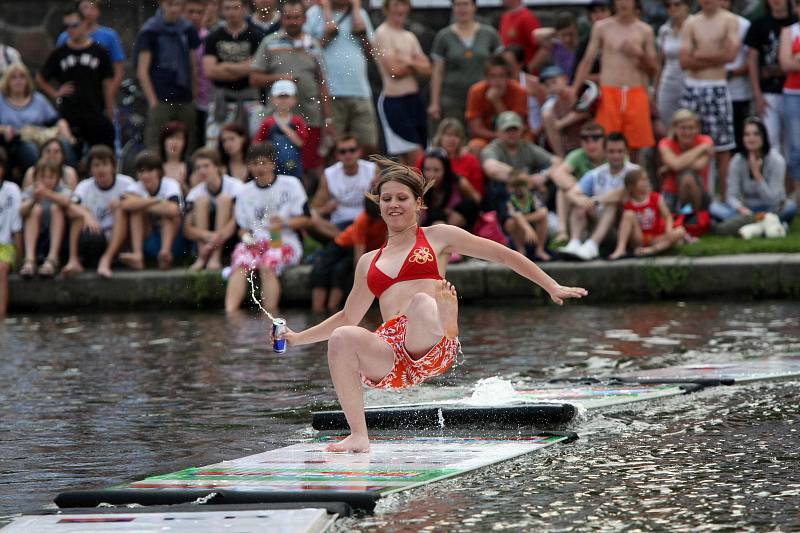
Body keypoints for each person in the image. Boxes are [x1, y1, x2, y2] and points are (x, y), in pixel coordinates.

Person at [275, 157, 587, 452]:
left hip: (431, 339)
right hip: (393, 358)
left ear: (418, 203)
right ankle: (359, 436)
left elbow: (503, 255)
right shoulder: (368, 262)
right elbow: (346, 316)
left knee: (423, 301)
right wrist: (298, 337)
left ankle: (449, 326)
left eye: (402, 198)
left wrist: (551, 285)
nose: (394, 205)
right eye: (387, 199)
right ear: (378, 205)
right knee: (343, 336)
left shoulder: (438, 236)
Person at [250, 0, 334, 175]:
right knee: (279, 164)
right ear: (282, 19)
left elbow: (322, 83)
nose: (292, 21)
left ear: (304, 19)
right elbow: (254, 78)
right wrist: (279, 78)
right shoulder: (269, 43)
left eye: (297, 17)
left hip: (310, 116)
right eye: (288, 17)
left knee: (309, 166)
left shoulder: (313, 45)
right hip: (278, 120)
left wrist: (329, 119)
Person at [225, 143, 308, 313]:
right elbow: (242, 228)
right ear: (249, 166)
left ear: (273, 164)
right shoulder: (244, 192)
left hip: (284, 240)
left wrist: (284, 222)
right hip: (257, 241)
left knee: (267, 263)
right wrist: (247, 238)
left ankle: (270, 317)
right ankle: (230, 314)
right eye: (254, 164)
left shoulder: (291, 185)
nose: (259, 168)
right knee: (241, 261)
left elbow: (307, 220)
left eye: (263, 163)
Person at [571, 0, 658, 161]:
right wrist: (574, 90)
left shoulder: (645, 30)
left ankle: (632, 182)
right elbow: (587, 61)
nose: (623, 3)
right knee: (606, 141)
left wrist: (639, 53)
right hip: (609, 92)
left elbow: (653, 69)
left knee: (635, 148)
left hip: (635, 91)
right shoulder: (602, 27)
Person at [678, 0, 740, 194]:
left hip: (716, 87)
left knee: (722, 146)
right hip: (692, 88)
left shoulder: (729, 20)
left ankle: (724, 197)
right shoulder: (691, 23)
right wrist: (715, 54)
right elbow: (684, 60)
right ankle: (693, 196)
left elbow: (731, 55)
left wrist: (699, 54)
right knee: (688, 143)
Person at [36, 5, 115, 158]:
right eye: (66, 26)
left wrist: (110, 111)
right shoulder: (60, 52)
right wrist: (55, 93)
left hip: (95, 112)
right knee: (71, 157)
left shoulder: (99, 52)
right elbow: (40, 78)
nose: (70, 29)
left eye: (74, 25)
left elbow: (107, 83)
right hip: (70, 116)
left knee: (102, 156)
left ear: (84, 23)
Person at [304, 0, 379, 155]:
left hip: (360, 91)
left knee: (368, 146)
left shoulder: (361, 14)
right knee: (332, 149)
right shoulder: (313, 14)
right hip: (329, 94)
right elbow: (305, 55)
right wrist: (326, 36)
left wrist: (363, 33)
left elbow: (372, 55)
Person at [135, 0, 201, 156]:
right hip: (161, 96)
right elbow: (142, 71)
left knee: (188, 144)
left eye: (177, 5)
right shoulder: (150, 31)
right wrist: (152, 101)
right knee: (156, 146)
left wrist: (194, 95)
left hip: (184, 97)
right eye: (170, 4)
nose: (174, 9)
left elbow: (193, 66)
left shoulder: (187, 29)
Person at [560, 132, 638, 260]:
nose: (616, 155)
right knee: (579, 204)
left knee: (611, 204)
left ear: (626, 152)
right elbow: (572, 193)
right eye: (611, 151)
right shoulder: (595, 174)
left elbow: (622, 194)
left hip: (624, 228)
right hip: (598, 222)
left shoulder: (635, 172)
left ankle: (592, 245)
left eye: (620, 151)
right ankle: (574, 243)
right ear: (605, 152)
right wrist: (582, 201)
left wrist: (595, 200)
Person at [711, 117, 796, 229]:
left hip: (770, 209)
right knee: (714, 208)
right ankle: (769, 225)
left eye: (756, 134)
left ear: (763, 137)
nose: (751, 138)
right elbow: (731, 195)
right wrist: (741, 208)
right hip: (745, 211)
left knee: (790, 207)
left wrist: (757, 175)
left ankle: (749, 224)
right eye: (747, 134)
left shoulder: (776, 160)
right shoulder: (737, 161)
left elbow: (774, 201)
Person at [373, 0, 431, 165]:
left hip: (414, 100)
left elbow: (428, 69)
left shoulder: (409, 36)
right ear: (387, 8)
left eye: (403, 5)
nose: (400, 9)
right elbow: (394, 72)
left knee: (418, 158)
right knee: (417, 159)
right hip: (394, 101)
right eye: (396, 5)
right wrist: (414, 62)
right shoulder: (383, 33)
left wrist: (407, 60)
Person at [64, 145, 134, 279]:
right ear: (90, 169)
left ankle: (106, 260)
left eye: (105, 164)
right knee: (77, 213)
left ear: (113, 167)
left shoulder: (126, 183)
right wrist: (86, 214)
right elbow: (70, 205)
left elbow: (140, 201)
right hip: (92, 237)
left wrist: (122, 201)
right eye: (96, 165)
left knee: (122, 208)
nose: (101, 169)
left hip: (119, 237)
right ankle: (73, 260)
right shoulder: (84, 186)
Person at [481, 111, 559, 232]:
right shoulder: (492, 149)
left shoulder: (527, 147)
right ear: (498, 132)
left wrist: (544, 175)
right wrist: (527, 179)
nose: (512, 134)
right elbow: (492, 169)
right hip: (506, 197)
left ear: (521, 130)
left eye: (515, 129)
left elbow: (557, 161)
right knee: (499, 188)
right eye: (507, 130)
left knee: (552, 183)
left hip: (529, 195)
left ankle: (548, 226)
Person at [427, 0, 502, 125]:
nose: (462, 9)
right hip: (452, 98)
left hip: (482, 98)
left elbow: (500, 67)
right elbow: (437, 72)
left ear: (474, 7)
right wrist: (434, 103)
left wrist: (498, 92)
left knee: (479, 137)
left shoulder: (489, 34)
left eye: (466, 4)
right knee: (454, 135)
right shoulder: (443, 36)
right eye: (458, 5)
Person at [203, 0, 266, 146]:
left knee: (255, 144)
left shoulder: (256, 36)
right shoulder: (214, 37)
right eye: (227, 8)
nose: (232, 12)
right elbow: (210, 71)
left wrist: (224, 66)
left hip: (250, 98)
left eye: (236, 8)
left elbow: (257, 68)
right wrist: (244, 67)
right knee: (213, 145)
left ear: (244, 9)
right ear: (222, 10)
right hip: (221, 99)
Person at [310, 197, 386, 313]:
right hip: (342, 244)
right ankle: (318, 310)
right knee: (320, 269)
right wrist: (361, 279)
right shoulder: (363, 220)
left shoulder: (387, 220)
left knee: (340, 271)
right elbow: (359, 256)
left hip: (361, 249)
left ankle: (332, 308)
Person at [0, 64, 74, 180]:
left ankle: (69, 179)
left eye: (22, 77)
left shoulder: (38, 99)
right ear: (7, 81)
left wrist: (63, 127)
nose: (18, 81)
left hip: (42, 137)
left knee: (63, 145)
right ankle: (37, 180)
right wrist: (4, 129)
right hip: (17, 141)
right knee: (30, 149)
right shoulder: (1, 101)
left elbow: (55, 120)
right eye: (14, 77)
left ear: (27, 80)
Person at [55, 0, 126, 119]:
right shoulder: (65, 38)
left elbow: (118, 70)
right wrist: (59, 92)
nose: (88, 12)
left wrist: (107, 95)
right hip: (74, 102)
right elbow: (55, 68)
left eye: (92, 8)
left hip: (101, 99)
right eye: (85, 8)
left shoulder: (109, 36)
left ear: (98, 11)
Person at [120, 151, 184, 271]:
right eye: (141, 171)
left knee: (167, 216)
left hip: (174, 240)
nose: (145, 175)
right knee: (136, 212)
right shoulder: (136, 186)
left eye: (149, 171)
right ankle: (138, 256)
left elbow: (174, 209)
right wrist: (157, 201)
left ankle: (165, 255)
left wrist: (141, 202)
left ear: (159, 172)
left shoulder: (170, 184)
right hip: (149, 238)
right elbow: (124, 204)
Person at [746, 0, 796, 153]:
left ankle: (792, 177)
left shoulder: (795, 24)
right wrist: (757, 94)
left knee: (793, 143)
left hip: (794, 92)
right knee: (770, 140)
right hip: (768, 93)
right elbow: (752, 60)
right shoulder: (759, 24)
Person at [184, 147, 243, 271]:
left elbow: (237, 221)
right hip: (205, 240)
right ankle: (202, 258)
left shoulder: (236, 186)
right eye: (198, 167)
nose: (202, 171)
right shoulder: (195, 193)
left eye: (206, 166)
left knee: (224, 200)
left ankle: (214, 258)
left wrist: (215, 239)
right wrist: (206, 236)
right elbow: (187, 229)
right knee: (201, 201)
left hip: (230, 239)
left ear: (217, 167)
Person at [311, 134, 378, 241]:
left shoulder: (372, 170)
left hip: (366, 220)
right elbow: (315, 208)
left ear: (359, 151)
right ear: (337, 155)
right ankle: (347, 240)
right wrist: (326, 209)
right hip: (339, 224)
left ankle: (344, 242)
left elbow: (383, 199)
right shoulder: (329, 174)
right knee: (311, 217)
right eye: (342, 151)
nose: (348, 154)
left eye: (352, 150)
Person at [549, 122, 607, 243]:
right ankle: (563, 233)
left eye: (596, 138)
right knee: (563, 191)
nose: (590, 143)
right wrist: (578, 193)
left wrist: (579, 195)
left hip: (605, 203)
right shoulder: (577, 155)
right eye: (585, 139)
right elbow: (557, 173)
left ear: (604, 140)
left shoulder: (613, 154)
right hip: (581, 203)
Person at [609, 168, 685, 259]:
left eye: (647, 179)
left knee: (680, 231)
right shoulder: (628, 203)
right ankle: (620, 249)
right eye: (642, 180)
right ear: (631, 186)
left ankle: (651, 250)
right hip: (639, 239)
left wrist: (669, 230)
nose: (646, 182)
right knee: (628, 214)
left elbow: (668, 216)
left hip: (656, 238)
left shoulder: (656, 198)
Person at [464, 54, 528, 154]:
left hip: (516, 138)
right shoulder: (475, 91)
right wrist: (497, 136)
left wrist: (497, 101)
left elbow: (515, 125)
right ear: (486, 78)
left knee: (528, 141)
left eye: (502, 76)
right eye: (493, 76)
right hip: (487, 138)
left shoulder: (519, 91)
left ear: (508, 77)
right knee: (474, 146)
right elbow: (475, 129)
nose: (497, 81)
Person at [19, 160, 71, 278]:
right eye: (42, 177)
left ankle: (52, 259)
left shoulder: (62, 189)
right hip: (35, 238)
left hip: (59, 240)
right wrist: (33, 200)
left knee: (56, 208)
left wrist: (47, 193)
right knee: (34, 210)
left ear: (58, 178)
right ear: (35, 177)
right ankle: (29, 260)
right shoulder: (31, 190)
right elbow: (21, 211)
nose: (47, 181)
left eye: (51, 177)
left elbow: (67, 201)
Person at [657, 109, 714, 213]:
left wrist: (670, 168)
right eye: (683, 128)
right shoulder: (665, 143)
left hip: (699, 193)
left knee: (688, 177)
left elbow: (699, 166)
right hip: (671, 192)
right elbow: (676, 165)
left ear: (697, 129)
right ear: (675, 129)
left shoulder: (706, 140)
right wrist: (701, 149)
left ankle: (691, 216)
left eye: (691, 128)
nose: (687, 132)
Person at [416, 118, 485, 200]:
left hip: (461, 204)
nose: (452, 139)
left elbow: (478, 197)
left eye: (456, 136)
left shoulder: (471, 160)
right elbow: (415, 185)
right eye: (448, 135)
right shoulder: (427, 158)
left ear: (461, 139)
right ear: (440, 137)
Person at [253, 80, 308, 179]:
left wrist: (285, 128)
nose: (283, 100)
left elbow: (301, 143)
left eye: (286, 96)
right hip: (272, 166)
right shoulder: (268, 122)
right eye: (280, 97)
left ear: (294, 99)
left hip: (294, 166)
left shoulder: (298, 121)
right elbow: (257, 144)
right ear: (273, 99)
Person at [420, 147, 480, 232]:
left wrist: (451, 212)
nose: (431, 175)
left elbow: (476, 200)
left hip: (456, 227)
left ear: (445, 170)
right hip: (430, 227)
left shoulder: (458, 182)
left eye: (436, 170)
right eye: (427, 169)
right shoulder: (419, 186)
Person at [721, 0, 753, 153]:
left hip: (739, 92)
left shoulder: (744, 24)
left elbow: (750, 59)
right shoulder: (698, 23)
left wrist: (732, 73)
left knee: (739, 138)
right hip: (715, 91)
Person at [540, 65, 590, 158]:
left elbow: (586, 112)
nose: (552, 87)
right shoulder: (554, 105)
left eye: (554, 82)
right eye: (547, 85)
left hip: (588, 142)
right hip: (571, 148)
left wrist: (561, 124)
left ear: (565, 79)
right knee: (547, 116)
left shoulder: (577, 93)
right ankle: (561, 157)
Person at [655, 0, 690, 128]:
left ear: (686, 6)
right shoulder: (664, 30)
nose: (672, 8)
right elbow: (660, 63)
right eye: (668, 5)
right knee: (668, 124)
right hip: (668, 82)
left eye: (677, 4)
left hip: (690, 81)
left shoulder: (695, 25)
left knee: (689, 123)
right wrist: (655, 91)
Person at [505, 169, 551, 260]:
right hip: (520, 233)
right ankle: (521, 250)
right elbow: (515, 215)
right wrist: (527, 228)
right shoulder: (510, 200)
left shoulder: (533, 196)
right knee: (510, 223)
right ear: (510, 188)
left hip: (536, 231)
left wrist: (525, 220)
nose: (519, 188)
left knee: (543, 216)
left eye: (522, 184)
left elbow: (543, 211)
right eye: (515, 185)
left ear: (529, 185)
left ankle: (540, 249)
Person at [779, 6, 800, 200]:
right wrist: (793, 60)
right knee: (796, 146)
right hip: (793, 93)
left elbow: (794, 62)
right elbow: (785, 63)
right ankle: (797, 192)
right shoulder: (789, 31)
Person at [186, 0, 213, 147]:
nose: (195, 16)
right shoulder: (179, 37)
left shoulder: (210, 38)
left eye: (199, 12)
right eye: (191, 12)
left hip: (207, 101)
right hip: (185, 101)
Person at [0, 147, 21, 316]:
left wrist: (19, 261)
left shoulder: (12, 189)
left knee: (1, 268)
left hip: (5, 246)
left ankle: (1, 316)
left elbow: (17, 228)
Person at [531, 11, 580, 78]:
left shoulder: (582, 46)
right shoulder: (556, 45)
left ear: (576, 31)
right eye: (564, 35)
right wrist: (555, 31)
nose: (567, 39)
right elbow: (535, 34)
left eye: (570, 34)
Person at [499, 0, 541, 71]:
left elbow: (541, 48)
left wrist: (528, 69)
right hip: (509, 73)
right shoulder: (505, 17)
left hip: (523, 73)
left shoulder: (528, 18)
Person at [160, 121, 190, 191]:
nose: (174, 142)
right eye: (171, 137)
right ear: (163, 141)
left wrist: (184, 187)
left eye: (179, 138)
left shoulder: (191, 165)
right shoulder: (155, 164)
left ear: (185, 143)